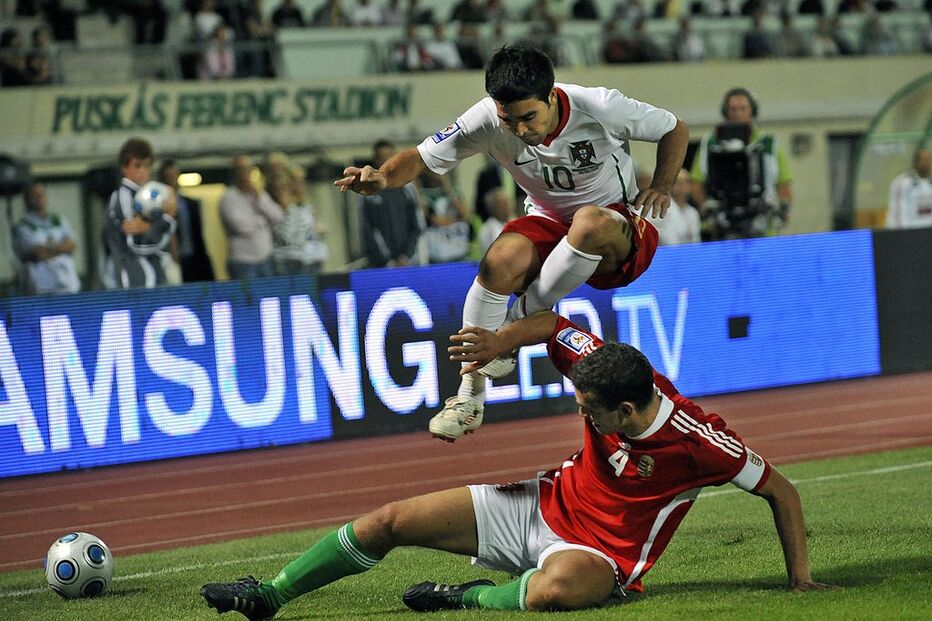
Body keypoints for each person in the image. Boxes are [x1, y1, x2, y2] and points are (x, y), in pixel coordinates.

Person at [200, 310, 835, 620]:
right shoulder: (604, 368)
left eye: (589, 409)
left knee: (555, 593)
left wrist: (800, 582)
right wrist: (500, 343)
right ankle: (271, 594)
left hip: (599, 556)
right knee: (390, 521)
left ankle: (469, 598)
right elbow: (556, 324)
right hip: (539, 504)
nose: (579, 411)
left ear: (624, 408)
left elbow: (783, 492)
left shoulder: (700, 442)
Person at [335, 45, 688, 441]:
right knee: (498, 261)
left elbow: (674, 128)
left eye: (528, 117)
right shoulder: (485, 118)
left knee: (588, 221)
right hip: (549, 223)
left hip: (617, 232)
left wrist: (662, 185)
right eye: (509, 120)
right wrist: (382, 178)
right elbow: (421, 158)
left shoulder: (599, 106)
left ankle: (515, 324)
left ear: (553, 96)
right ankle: (469, 396)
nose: (521, 131)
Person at [690, 87, 792, 239]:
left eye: (743, 109)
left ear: (752, 111)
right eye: (732, 109)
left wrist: (783, 209)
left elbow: (784, 184)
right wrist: (706, 207)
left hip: (761, 224)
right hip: (720, 225)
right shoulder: (710, 143)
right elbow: (696, 183)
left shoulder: (769, 144)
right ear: (726, 112)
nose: (737, 114)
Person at [103, 137, 178, 289]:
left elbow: (164, 238)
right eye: (137, 166)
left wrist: (150, 226)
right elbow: (135, 244)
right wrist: (165, 220)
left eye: (146, 166)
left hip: (155, 276)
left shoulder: (150, 195)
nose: (142, 171)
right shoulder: (122, 197)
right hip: (133, 280)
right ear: (124, 168)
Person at [358, 139, 424, 268]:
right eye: (383, 157)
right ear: (376, 160)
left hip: (409, 262)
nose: (387, 161)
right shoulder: (368, 191)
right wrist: (386, 260)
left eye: (390, 156)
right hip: (381, 264)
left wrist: (406, 256)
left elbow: (416, 225)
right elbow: (367, 229)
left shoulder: (408, 188)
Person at [219, 154, 284, 280]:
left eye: (247, 170)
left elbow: (278, 216)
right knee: (248, 299)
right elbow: (241, 227)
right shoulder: (229, 198)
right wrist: (263, 221)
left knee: (270, 297)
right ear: (235, 173)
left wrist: (258, 199)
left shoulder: (259, 194)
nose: (245, 174)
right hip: (243, 262)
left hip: (266, 257)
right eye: (241, 170)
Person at [13, 181, 81, 295]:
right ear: (26, 199)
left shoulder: (59, 220)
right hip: (41, 288)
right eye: (35, 195)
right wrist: (60, 248)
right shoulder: (23, 226)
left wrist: (48, 249)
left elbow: (71, 246)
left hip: (68, 285)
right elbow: (38, 252)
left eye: (41, 194)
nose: (39, 198)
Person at [158, 159, 215, 282]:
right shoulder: (159, 206)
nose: (172, 180)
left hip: (195, 257)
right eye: (169, 176)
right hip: (174, 259)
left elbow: (198, 234)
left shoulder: (190, 203)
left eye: (174, 175)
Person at [648, 168, 701, 245]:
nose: (683, 186)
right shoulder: (660, 208)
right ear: (670, 185)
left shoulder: (693, 212)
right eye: (679, 182)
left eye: (686, 182)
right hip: (668, 253)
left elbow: (696, 241)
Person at [885, 146, 932, 229]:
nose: (927, 163)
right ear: (916, 162)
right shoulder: (903, 183)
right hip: (907, 234)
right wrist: (905, 235)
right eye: (924, 160)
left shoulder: (929, 182)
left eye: (929, 159)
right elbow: (899, 214)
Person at [478, 187, 516, 255]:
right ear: (492, 208)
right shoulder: (487, 229)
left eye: (507, 201)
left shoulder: (517, 221)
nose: (507, 206)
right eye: (502, 203)